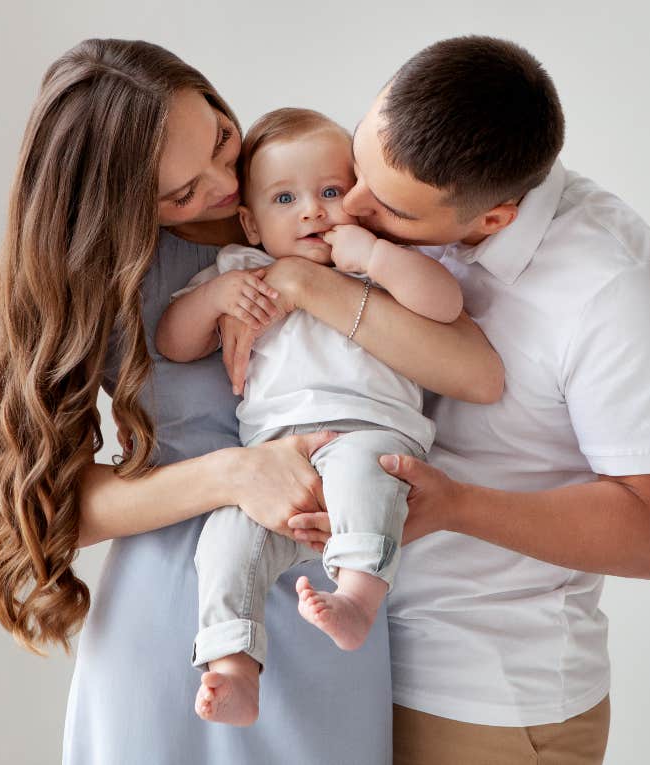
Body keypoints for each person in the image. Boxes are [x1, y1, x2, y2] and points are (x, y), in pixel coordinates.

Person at [0, 39, 504, 764]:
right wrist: (235, 474)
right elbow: (55, 505)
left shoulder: (326, 195)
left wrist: (302, 283)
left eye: (220, 137)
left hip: (331, 593)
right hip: (178, 619)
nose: (221, 184)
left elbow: (478, 373)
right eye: (180, 192)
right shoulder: (105, 275)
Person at [264, 36, 650, 764]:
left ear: (492, 218)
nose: (355, 207)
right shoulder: (378, 204)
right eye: (360, 166)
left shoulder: (620, 288)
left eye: (394, 211)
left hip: (481, 695)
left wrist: (457, 505)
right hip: (332, 668)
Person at [155, 108, 469, 726]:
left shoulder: (377, 265)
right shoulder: (239, 272)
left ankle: (355, 597)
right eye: (284, 197)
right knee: (224, 540)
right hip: (273, 464)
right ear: (249, 221)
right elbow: (173, 342)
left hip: (370, 432)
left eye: (330, 192)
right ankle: (233, 664)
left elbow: (447, 302)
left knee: (363, 471)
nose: (312, 211)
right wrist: (214, 299)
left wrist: (375, 255)